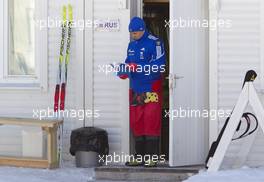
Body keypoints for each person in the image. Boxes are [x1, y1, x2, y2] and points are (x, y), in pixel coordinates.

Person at [117, 17, 166, 167]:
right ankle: (139, 157)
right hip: (135, 89)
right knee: (136, 122)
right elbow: (128, 63)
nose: (134, 35)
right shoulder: (131, 45)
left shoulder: (155, 42)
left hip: (151, 87)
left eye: (136, 33)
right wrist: (123, 70)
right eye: (131, 33)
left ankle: (152, 158)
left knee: (151, 121)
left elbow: (160, 66)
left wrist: (138, 68)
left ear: (143, 29)